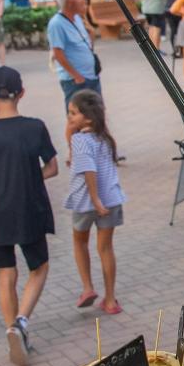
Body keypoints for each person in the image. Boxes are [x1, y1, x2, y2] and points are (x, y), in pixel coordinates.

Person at [0, 66, 58, 366]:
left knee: (6, 274)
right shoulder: (35, 127)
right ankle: (21, 323)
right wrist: (29, 178)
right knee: (39, 267)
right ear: (22, 93)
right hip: (30, 207)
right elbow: (53, 167)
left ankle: (11, 331)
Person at [63, 90, 125, 316]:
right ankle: (110, 300)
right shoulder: (104, 139)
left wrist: (95, 200)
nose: (69, 117)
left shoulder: (80, 140)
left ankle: (88, 288)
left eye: (73, 113)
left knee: (80, 241)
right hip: (112, 199)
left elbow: (89, 170)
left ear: (87, 118)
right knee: (106, 248)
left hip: (87, 202)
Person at [47, 0, 99, 106]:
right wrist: (76, 76)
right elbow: (58, 54)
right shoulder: (56, 24)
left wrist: (91, 33)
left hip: (91, 76)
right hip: (75, 81)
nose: (83, 1)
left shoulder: (78, 19)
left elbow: (88, 47)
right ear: (69, 2)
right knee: (78, 116)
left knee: (96, 116)